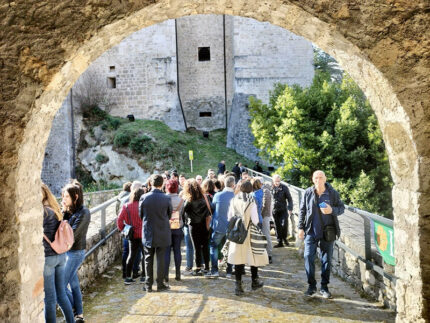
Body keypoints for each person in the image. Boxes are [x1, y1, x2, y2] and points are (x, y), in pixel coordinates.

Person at [298, 170, 345, 299]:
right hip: (311, 231)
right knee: (308, 256)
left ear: (325, 179)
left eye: (321, 177)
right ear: (313, 180)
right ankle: (311, 286)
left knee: (326, 260)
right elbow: (302, 210)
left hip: (328, 232)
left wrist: (332, 210)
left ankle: (324, 287)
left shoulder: (332, 193)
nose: (318, 179)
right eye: (316, 178)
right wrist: (300, 228)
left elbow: (341, 208)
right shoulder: (308, 192)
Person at [227, 180, 268, 296]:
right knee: (254, 255)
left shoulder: (234, 200)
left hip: (237, 231)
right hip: (249, 231)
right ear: (251, 189)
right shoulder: (252, 201)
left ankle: (238, 286)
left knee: (238, 258)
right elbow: (255, 220)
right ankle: (254, 281)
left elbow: (229, 217)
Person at [42, 183, 75, 323]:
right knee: (61, 293)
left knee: (49, 298)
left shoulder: (41, 212)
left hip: (48, 259)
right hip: (61, 255)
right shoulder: (55, 210)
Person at [62, 181, 91, 323]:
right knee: (73, 285)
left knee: (60, 286)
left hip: (75, 253)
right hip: (67, 253)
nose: (64, 199)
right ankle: (79, 315)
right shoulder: (69, 211)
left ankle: (72, 312)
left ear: (76, 196)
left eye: (66, 196)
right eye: (63, 196)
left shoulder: (84, 212)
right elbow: (60, 227)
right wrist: (64, 211)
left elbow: (71, 235)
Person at [139, 174, 172, 292]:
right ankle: (160, 284)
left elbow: (141, 215)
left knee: (148, 259)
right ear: (162, 184)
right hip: (162, 231)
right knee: (161, 259)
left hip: (148, 232)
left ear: (151, 183)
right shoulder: (166, 198)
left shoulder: (144, 197)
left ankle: (148, 285)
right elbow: (169, 214)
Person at [205, 176, 235, 278]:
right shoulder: (236, 196)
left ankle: (214, 270)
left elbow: (213, 208)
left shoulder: (218, 195)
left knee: (213, 246)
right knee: (230, 248)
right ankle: (229, 271)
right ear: (233, 185)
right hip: (231, 226)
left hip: (219, 226)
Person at [182, 179, 211, 275]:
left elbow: (183, 213)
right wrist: (207, 227)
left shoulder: (188, 201)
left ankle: (198, 267)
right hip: (204, 224)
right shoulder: (204, 198)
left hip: (193, 226)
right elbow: (209, 213)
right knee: (205, 247)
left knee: (197, 247)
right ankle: (207, 267)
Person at [117, 188, 146, 285]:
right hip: (144, 233)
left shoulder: (126, 206)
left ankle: (128, 277)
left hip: (132, 234)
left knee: (131, 255)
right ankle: (144, 276)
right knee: (145, 255)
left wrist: (124, 229)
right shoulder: (145, 206)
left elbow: (119, 220)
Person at [164, 179, 184, 283]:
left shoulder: (163, 199)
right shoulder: (181, 200)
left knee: (166, 251)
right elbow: (182, 214)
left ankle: (166, 275)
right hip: (177, 227)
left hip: (166, 228)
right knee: (177, 250)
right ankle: (178, 273)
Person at [271, 174, 293, 247]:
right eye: (276, 181)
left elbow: (289, 198)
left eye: (278, 181)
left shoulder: (284, 187)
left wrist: (290, 208)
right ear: (273, 181)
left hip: (283, 209)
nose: (277, 183)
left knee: (284, 224)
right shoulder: (270, 188)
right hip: (275, 210)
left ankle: (285, 238)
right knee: (277, 226)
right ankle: (279, 242)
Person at [261, 181, 273, 263]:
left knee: (266, 234)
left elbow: (265, 205)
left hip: (264, 216)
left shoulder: (265, 191)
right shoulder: (264, 190)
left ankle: (269, 254)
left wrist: (260, 214)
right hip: (263, 215)